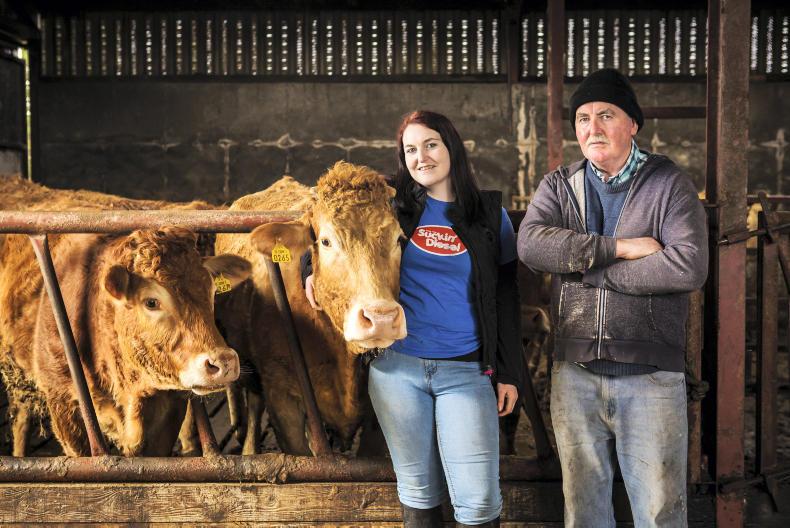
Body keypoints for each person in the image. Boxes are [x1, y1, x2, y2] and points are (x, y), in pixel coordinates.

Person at [304, 110, 523, 527]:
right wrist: (306, 270)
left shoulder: (490, 215)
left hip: (466, 370)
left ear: (452, 147)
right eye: (410, 150)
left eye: (431, 145)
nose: (421, 157)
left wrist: (510, 372)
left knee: (479, 502)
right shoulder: (393, 206)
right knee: (418, 495)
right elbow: (333, 230)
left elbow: (506, 296)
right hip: (397, 369)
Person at [517, 68, 708, 528]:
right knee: (584, 511)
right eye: (583, 118)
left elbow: (687, 266)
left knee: (660, 513)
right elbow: (531, 245)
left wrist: (592, 271)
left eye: (606, 115)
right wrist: (619, 248)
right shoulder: (559, 185)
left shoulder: (669, 184)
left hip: (651, 377)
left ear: (632, 124)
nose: (593, 128)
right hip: (575, 374)